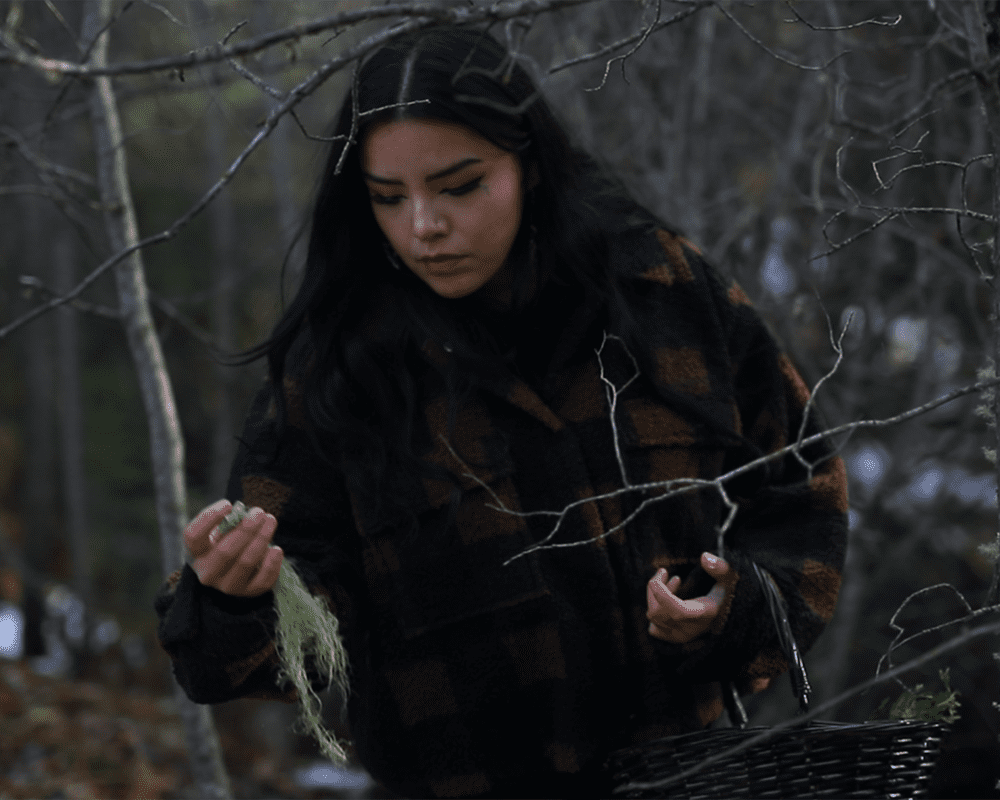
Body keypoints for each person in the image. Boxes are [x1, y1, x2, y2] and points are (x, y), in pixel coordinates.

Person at [155, 25, 848, 799]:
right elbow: (268, 650)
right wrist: (234, 599)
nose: (424, 226)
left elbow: (802, 485)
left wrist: (740, 610)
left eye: (459, 186)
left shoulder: (662, 292)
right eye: (389, 198)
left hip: (690, 778)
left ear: (529, 164)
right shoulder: (340, 368)